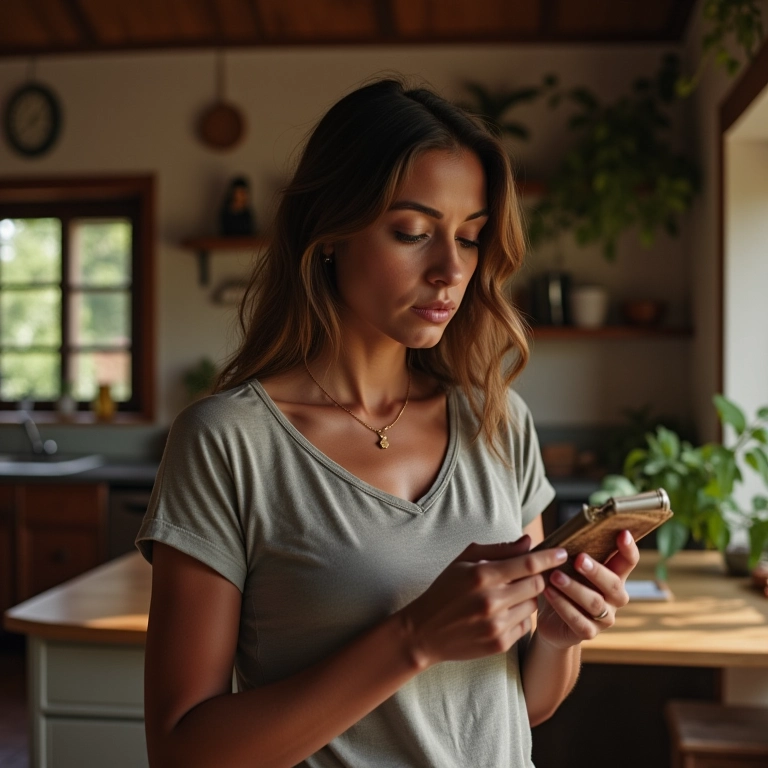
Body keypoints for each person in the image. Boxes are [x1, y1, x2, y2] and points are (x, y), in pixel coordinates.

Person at [136, 77, 639, 767]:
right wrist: (414, 639)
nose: (451, 269)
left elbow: (517, 707)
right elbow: (181, 753)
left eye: (470, 237)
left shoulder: (499, 421)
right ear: (330, 235)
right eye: (412, 233)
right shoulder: (227, 443)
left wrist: (557, 635)